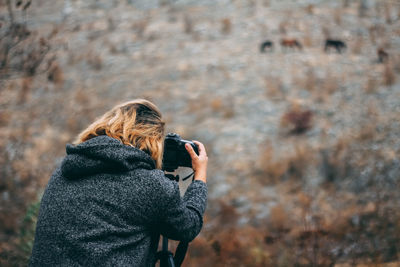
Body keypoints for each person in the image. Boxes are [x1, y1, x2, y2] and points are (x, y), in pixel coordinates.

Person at [29, 99, 208, 266]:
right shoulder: (150, 185)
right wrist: (200, 176)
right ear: (152, 140)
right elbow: (187, 227)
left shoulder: (64, 170)